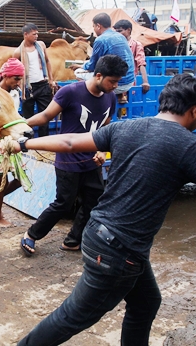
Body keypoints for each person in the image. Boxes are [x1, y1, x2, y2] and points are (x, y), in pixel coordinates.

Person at [2, 73, 196, 346]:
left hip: (99, 233)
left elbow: (70, 142)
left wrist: (24, 144)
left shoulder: (126, 127)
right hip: (119, 251)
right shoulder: (191, 146)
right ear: (195, 110)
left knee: (146, 302)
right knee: (73, 317)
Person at [19, 55, 125, 257]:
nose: (115, 86)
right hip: (68, 160)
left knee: (93, 202)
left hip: (92, 162)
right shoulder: (70, 92)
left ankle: (73, 240)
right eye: (112, 81)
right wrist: (20, 125)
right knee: (63, 204)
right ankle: (31, 234)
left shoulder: (110, 97)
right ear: (99, 75)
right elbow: (45, 116)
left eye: (118, 82)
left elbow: (106, 124)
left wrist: (102, 150)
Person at [0, 58, 29, 227]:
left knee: (19, 180)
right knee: (1, 181)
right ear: (5, 76)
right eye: (16, 78)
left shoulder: (15, 93)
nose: (18, 83)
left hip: (12, 141)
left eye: (20, 79)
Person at [70, 13, 134, 104]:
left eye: (94, 26)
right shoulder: (120, 36)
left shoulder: (100, 40)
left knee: (78, 73)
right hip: (129, 81)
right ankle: (120, 96)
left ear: (98, 26)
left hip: (115, 84)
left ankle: (95, 98)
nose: (94, 29)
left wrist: (81, 67)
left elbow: (92, 65)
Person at [13, 23, 58, 137]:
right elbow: (14, 70)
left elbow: (47, 61)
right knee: (28, 117)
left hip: (43, 84)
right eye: (34, 34)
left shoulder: (41, 45)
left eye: (37, 33)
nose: (36, 36)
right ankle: (28, 143)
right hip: (28, 87)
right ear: (25, 34)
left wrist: (51, 80)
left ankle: (44, 141)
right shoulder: (18, 52)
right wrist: (18, 85)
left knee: (46, 115)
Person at [113, 20, 150, 95]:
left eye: (120, 31)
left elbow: (141, 63)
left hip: (129, 82)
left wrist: (145, 82)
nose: (118, 34)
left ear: (129, 30)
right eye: (116, 31)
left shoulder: (136, 45)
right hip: (115, 81)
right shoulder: (114, 44)